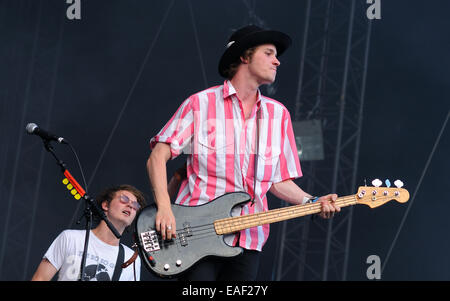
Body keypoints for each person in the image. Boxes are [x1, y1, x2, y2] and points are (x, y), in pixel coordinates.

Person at [146, 25, 341, 281]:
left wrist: (311, 201)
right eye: (269, 53)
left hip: (249, 239)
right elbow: (157, 157)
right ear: (244, 56)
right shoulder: (201, 103)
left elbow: (278, 180)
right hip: (194, 234)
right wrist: (164, 208)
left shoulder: (278, 115)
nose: (277, 61)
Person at [31, 184, 146, 281]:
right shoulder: (70, 238)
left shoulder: (131, 258)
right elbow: (40, 278)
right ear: (105, 205)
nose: (130, 205)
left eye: (135, 205)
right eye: (124, 199)